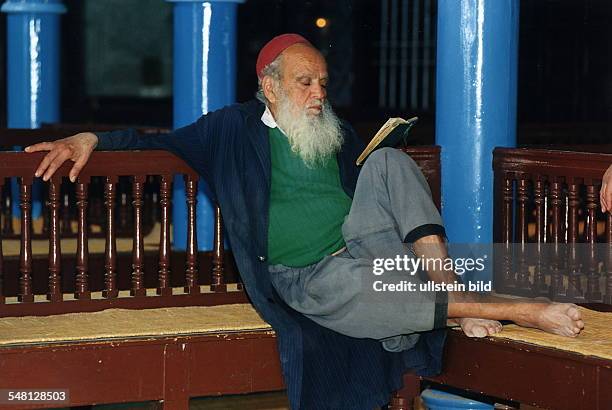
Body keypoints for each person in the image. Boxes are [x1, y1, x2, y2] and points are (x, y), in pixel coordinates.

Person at [26, 34, 584, 409]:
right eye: (304, 83)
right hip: (307, 275)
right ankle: (516, 311)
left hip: (362, 247)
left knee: (390, 159)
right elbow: (158, 142)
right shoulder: (230, 130)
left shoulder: (332, 129)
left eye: (322, 82)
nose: (319, 93)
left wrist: (380, 158)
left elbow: (370, 189)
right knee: (360, 284)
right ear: (270, 85)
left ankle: (449, 293)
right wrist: (91, 137)